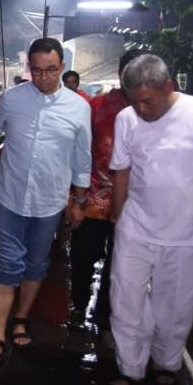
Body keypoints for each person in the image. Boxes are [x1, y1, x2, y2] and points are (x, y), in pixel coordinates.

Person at [98, 54, 193, 385]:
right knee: (125, 300)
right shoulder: (127, 119)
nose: (142, 109)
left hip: (189, 233)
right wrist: (117, 218)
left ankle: (165, 361)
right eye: (135, 101)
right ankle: (130, 369)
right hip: (137, 227)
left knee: (175, 305)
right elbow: (123, 171)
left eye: (149, 100)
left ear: (169, 86)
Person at [0, 38, 92, 370]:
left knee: (36, 264)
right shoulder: (12, 99)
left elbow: (83, 160)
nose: (43, 77)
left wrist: (78, 201)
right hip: (10, 195)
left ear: (62, 68)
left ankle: (21, 318)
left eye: (50, 70)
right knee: (8, 265)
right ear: (29, 69)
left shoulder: (79, 108)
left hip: (50, 201)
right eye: (36, 70)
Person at [69, 49, 145, 336]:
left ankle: (104, 317)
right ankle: (78, 307)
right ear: (121, 74)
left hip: (136, 207)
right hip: (93, 200)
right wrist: (74, 197)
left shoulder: (156, 111)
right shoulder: (98, 106)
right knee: (83, 257)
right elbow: (79, 152)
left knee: (122, 265)